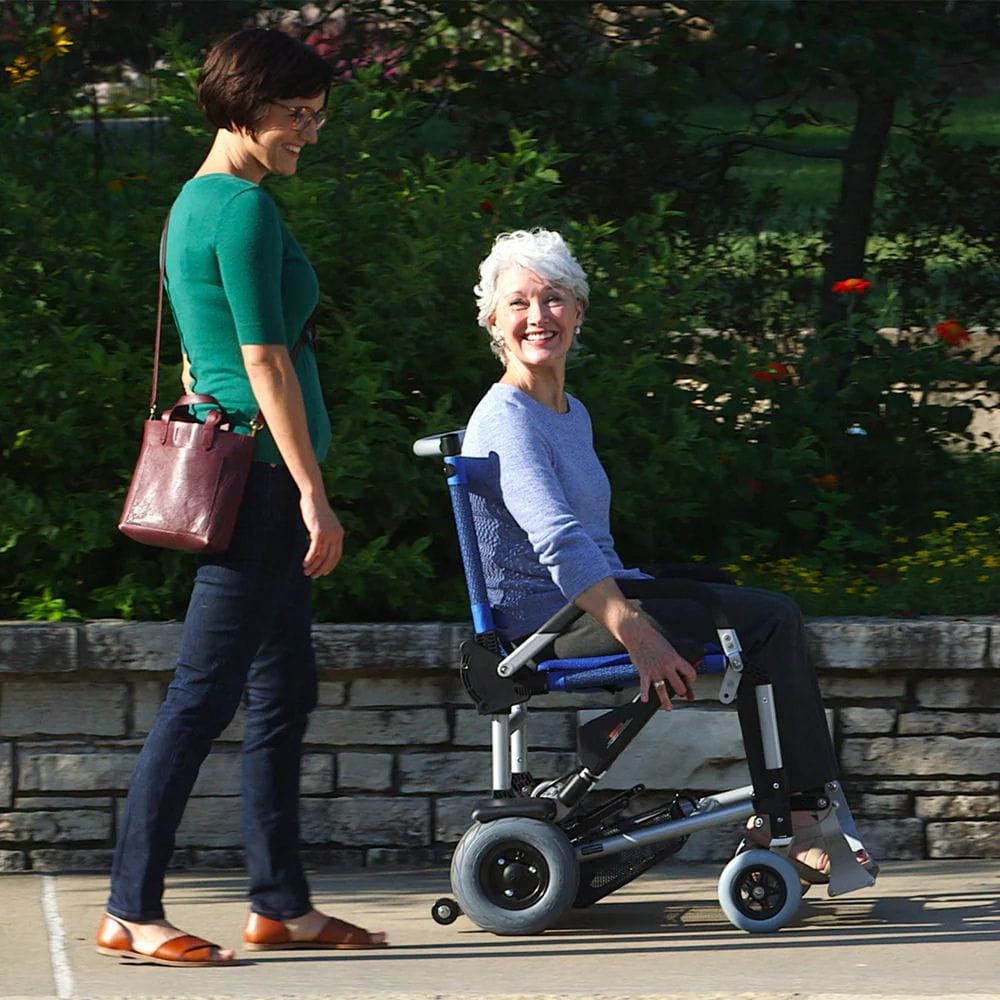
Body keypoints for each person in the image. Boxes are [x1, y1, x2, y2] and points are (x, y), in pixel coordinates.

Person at [97, 28, 386, 967]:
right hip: (261, 485)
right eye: (295, 116)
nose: (309, 134)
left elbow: (203, 343)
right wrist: (313, 492)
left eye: (317, 117)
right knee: (202, 697)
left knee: (282, 690)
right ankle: (131, 910)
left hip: (253, 477)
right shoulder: (245, 210)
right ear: (242, 106)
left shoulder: (194, 200)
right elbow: (260, 358)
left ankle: (281, 904)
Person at [461, 228, 874, 883]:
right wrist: (637, 633)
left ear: (579, 312)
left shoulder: (569, 412)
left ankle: (784, 814)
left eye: (554, 299)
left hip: (590, 598)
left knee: (742, 601)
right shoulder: (508, 417)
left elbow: (589, 542)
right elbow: (558, 540)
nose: (538, 317)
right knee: (769, 620)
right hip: (551, 622)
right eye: (519, 303)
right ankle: (796, 820)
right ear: (492, 319)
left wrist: (638, 602)